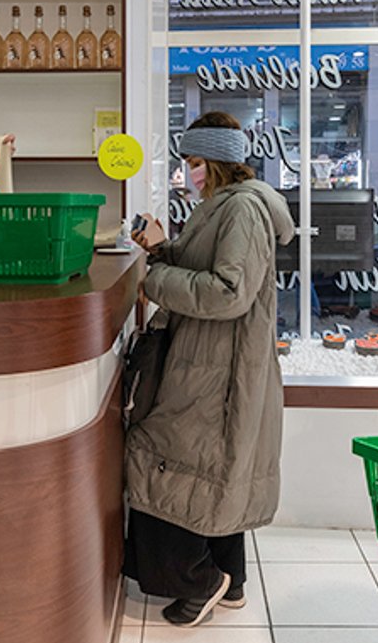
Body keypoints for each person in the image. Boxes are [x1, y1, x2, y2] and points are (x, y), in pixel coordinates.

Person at [124, 111, 294, 628]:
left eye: (196, 163)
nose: (189, 173)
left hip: (217, 366)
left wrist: (155, 279)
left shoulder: (241, 209)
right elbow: (209, 265)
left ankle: (199, 581)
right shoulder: (225, 205)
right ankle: (231, 582)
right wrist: (162, 249)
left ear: (218, 163)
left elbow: (227, 292)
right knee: (215, 472)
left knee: (176, 466)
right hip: (215, 360)